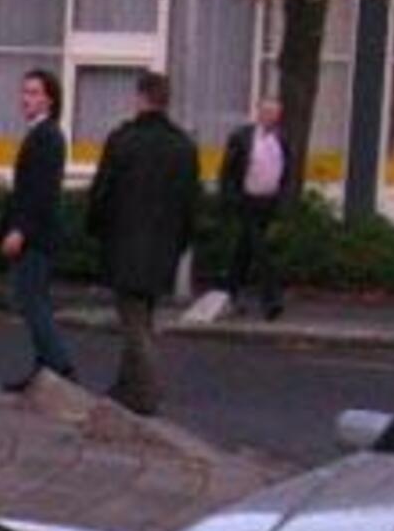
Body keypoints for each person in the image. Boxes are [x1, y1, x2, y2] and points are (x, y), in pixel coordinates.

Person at [88, 69, 203, 418]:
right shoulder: (184, 147)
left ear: (140, 98)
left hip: (124, 243)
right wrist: (183, 242)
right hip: (164, 247)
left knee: (133, 321)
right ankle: (126, 386)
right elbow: (191, 204)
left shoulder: (123, 140)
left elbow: (102, 193)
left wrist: (95, 228)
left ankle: (147, 390)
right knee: (143, 313)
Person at [0, 68, 77, 392]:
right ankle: (43, 367)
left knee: (32, 301)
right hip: (36, 232)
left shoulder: (46, 136)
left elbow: (40, 192)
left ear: (50, 99)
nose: (26, 99)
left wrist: (20, 231)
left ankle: (59, 364)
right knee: (33, 299)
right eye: (24, 92)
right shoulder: (39, 134)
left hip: (36, 235)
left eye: (34, 93)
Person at [219, 96, 298, 321]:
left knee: (244, 250)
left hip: (268, 202)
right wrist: (230, 197)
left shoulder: (283, 139)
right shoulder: (242, 137)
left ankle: (230, 292)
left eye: (274, 113)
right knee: (261, 249)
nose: (270, 117)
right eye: (266, 112)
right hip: (247, 201)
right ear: (259, 113)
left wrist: (283, 200)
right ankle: (272, 299)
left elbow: (288, 171)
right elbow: (228, 170)